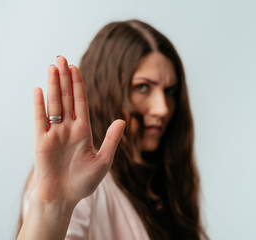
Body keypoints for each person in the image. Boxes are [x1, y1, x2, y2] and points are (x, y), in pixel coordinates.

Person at [16, 19, 208, 240]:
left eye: (170, 91)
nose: (163, 108)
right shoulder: (81, 184)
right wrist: (53, 206)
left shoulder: (161, 185)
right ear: (107, 92)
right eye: (143, 87)